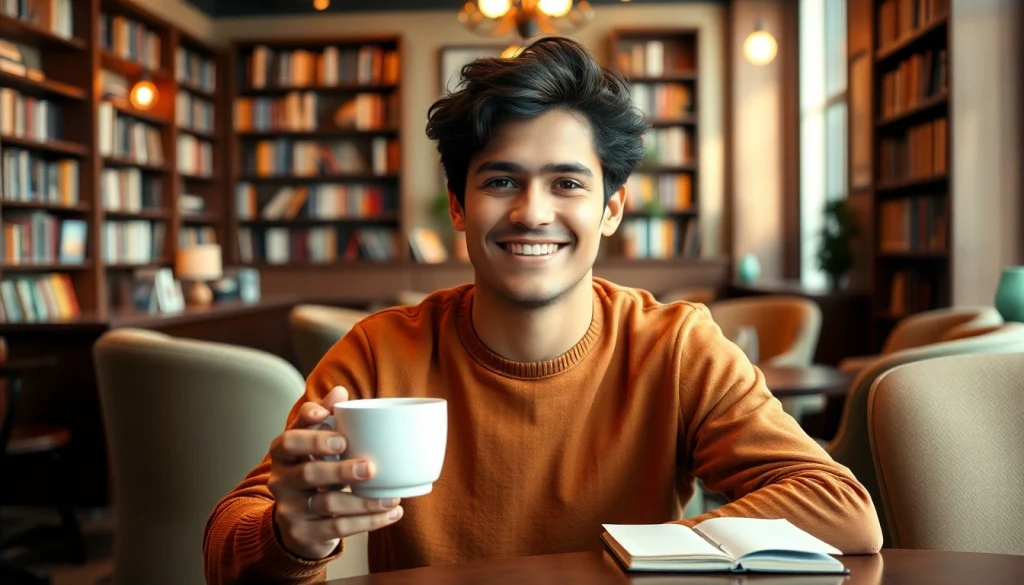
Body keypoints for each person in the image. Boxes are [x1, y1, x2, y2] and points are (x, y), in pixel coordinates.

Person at [203, 36, 882, 584]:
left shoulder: (674, 344)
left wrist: (630, 555)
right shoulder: (381, 350)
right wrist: (290, 533)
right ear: (460, 207)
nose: (532, 212)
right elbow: (228, 548)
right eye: (502, 181)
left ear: (611, 208)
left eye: (567, 183)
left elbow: (843, 508)